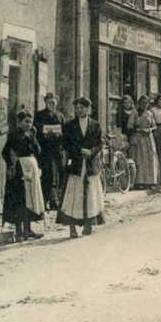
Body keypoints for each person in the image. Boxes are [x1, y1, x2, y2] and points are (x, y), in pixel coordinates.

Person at [57, 96, 105, 238]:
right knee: (73, 195)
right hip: (76, 164)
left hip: (90, 164)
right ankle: (72, 227)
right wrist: (78, 151)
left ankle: (89, 223)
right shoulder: (69, 126)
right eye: (77, 108)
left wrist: (91, 152)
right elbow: (65, 144)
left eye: (82, 108)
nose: (79, 110)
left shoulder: (95, 125)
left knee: (90, 194)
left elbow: (100, 144)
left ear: (89, 109)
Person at [2, 110, 45, 241]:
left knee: (31, 199)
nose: (28, 124)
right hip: (20, 169)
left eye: (30, 122)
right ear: (19, 122)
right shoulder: (14, 135)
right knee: (20, 199)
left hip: (31, 168)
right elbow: (5, 152)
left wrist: (34, 136)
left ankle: (28, 229)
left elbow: (38, 150)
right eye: (25, 122)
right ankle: (19, 231)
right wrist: (11, 165)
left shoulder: (32, 134)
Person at [33, 92, 66, 211]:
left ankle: (55, 200)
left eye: (54, 102)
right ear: (45, 102)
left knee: (58, 174)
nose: (52, 104)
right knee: (47, 175)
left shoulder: (60, 116)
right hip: (45, 150)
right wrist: (45, 133)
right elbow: (36, 131)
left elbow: (64, 131)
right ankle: (45, 200)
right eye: (49, 102)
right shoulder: (39, 115)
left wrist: (60, 135)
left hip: (57, 150)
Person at [130, 95, 160, 190]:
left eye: (146, 103)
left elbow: (154, 126)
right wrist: (139, 129)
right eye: (142, 103)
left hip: (148, 138)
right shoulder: (135, 113)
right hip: (139, 138)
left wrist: (150, 129)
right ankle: (139, 181)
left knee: (150, 159)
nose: (144, 105)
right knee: (139, 159)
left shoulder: (150, 113)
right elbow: (130, 125)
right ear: (139, 103)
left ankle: (150, 181)